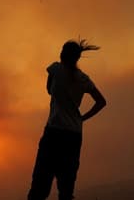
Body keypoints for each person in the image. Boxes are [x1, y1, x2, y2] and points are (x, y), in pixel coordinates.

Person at [26, 39, 107, 200]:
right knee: (66, 187)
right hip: (73, 135)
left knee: (40, 185)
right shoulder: (83, 78)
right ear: (77, 58)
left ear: (63, 54)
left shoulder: (55, 70)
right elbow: (101, 102)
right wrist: (82, 118)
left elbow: (49, 90)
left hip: (54, 132)